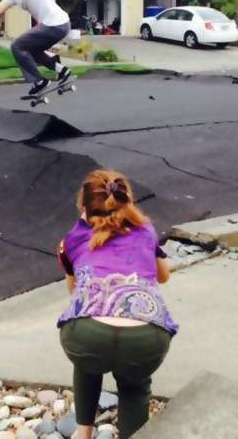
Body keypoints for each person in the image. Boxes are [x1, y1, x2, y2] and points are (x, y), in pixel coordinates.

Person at [57, 169, 178, 439]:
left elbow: (74, 292)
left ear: (83, 207)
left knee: (87, 361)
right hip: (147, 335)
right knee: (134, 385)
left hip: (88, 335)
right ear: (126, 200)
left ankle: (84, 432)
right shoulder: (145, 231)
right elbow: (163, 276)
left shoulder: (70, 241)